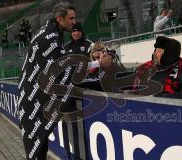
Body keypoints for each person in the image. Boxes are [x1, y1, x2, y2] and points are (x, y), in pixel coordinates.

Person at [17, 2, 112, 160]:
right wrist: (98, 63)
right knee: (36, 149)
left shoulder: (51, 33)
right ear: (60, 18)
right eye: (71, 18)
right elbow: (66, 68)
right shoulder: (50, 38)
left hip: (34, 100)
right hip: (32, 102)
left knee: (40, 146)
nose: (74, 22)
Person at [133, 36, 182, 100]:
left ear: (169, 53)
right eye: (155, 50)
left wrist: (158, 98)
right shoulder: (146, 69)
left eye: (159, 51)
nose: (154, 54)